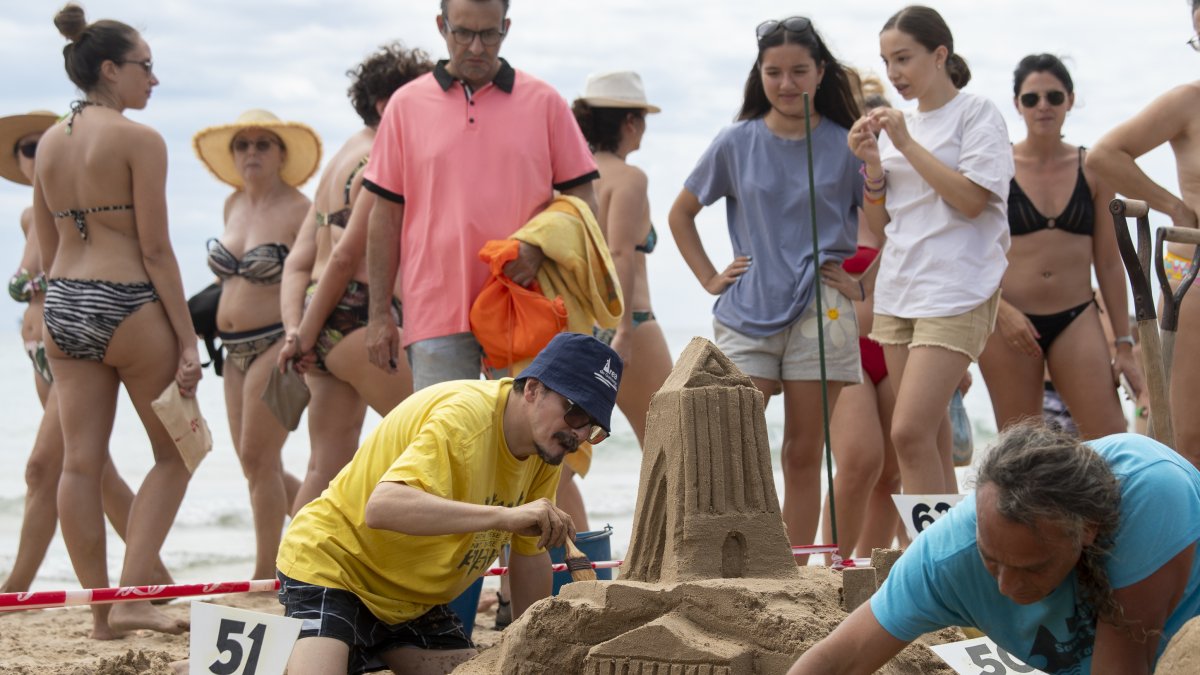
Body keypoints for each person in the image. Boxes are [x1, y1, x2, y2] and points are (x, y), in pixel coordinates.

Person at [276, 332, 622, 675]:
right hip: (336, 568)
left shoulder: (545, 448)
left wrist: (528, 649)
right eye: (575, 413)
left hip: (414, 602)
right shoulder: (465, 420)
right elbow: (382, 507)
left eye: (592, 428)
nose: (579, 435)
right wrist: (504, 517)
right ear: (532, 389)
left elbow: (530, 558)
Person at [33, 3, 201, 637]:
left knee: (80, 463)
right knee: (179, 452)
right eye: (146, 68)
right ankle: (133, 597)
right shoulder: (139, 139)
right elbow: (156, 249)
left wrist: (54, 310)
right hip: (126, 301)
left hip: (66, 303)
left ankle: (102, 612)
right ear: (110, 68)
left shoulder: (50, 141)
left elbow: (50, 250)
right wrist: (188, 341)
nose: (153, 80)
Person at [668, 16, 864, 552]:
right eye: (774, 71)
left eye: (799, 70)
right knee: (734, 446)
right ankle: (739, 561)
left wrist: (859, 278)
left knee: (803, 452)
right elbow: (681, 213)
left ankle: (793, 571)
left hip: (821, 311)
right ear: (760, 74)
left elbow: (887, 220)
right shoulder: (735, 140)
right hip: (745, 310)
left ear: (821, 72)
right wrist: (710, 277)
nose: (786, 83)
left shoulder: (846, 144)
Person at [789, 423, 1200, 675]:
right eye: (991, 561)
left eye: (1032, 568)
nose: (1006, 586)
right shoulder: (946, 559)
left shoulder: (1150, 495)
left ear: (1087, 529)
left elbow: (1122, 669)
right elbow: (838, 661)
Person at [362, 0, 599, 391]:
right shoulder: (405, 106)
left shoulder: (546, 102)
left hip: (525, 304)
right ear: (442, 25)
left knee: (527, 447)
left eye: (489, 34)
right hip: (436, 314)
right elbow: (384, 216)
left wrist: (538, 247)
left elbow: (584, 199)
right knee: (445, 446)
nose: (476, 47)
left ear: (506, 27)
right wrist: (378, 316)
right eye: (463, 33)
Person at [1, 109, 171, 594]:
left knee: (46, 468)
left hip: (73, 343)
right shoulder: (27, 218)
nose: (34, 154)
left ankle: (16, 588)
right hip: (44, 353)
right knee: (91, 472)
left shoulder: (76, 221)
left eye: (41, 145)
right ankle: (151, 581)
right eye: (25, 149)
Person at [848, 5, 1013, 496]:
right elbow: (884, 225)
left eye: (904, 58)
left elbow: (970, 200)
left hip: (959, 286)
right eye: (886, 61)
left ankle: (928, 563)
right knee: (932, 436)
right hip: (901, 288)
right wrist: (874, 168)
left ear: (940, 54)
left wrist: (904, 142)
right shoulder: (903, 128)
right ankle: (951, 558)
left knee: (907, 432)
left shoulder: (976, 112)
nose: (894, 73)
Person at [278, 44, 431, 513]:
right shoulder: (374, 163)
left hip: (324, 319)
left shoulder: (341, 158)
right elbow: (346, 258)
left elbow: (300, 259)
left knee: (325, 467)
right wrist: (302, 335)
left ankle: (292, 580)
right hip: (355, 316)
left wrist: (299, 331)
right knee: (441, 438)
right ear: (388, 104)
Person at [977, 54, 1140, 440]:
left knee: (1111, 441)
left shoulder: (1093, 167)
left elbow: (1109, 261)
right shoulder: (997, 166)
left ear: (1070, 99)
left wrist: (1124, 344)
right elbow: (971, 253)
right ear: (1017, 104)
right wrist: (1001, 309)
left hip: (1076, 316)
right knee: (1020, 451)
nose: (1043, 106)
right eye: (1031, 99)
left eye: (1053, 96)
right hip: (1010, 320)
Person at [193, 109, 318, 579]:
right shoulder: (233, 205)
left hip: (277, 343)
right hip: (232, 349)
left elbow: (312, 274)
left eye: (263, 144)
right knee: (254, 464)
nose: (251, 152)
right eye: (242, 145)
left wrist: (301, 337)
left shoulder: (300, 209)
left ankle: (265, 573)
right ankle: (322, 527)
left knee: (257, 458)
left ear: (282, 154)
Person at [1087, 0, 1200, 469]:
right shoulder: (1188, 101)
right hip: (1191, 267)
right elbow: (1103, 156)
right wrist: (1174, 207)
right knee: (1183, 434)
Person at [560, 70, 672, 528]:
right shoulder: (628, 177)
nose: (644, 127)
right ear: (628, 121)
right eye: (642, 118)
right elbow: (621, 251)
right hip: (629, 322)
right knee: (670, 442)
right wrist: (624, 328)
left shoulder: (569, 177)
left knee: (559, 454)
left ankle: (569, 565)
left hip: (576, 325)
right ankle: (663, 551)